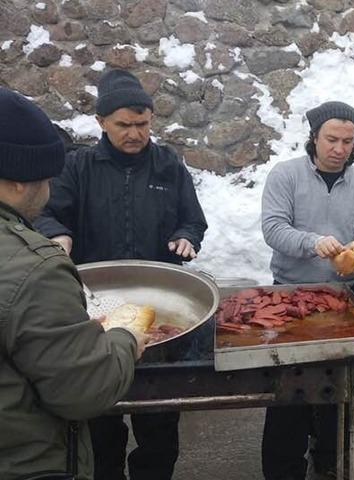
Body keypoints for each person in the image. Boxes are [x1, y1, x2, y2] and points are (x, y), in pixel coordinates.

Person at [35, 69, 207, 480]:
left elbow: (193, 219)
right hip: (94, 306)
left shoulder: (168, 165)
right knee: (101, 424)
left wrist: (186, 235)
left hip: (159, 307)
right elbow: (46, 213)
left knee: (159, 424)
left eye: (143, 124)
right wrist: (57, 235)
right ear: (101, 122)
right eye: (124, 125)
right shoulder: (77, 166)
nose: (135, 133)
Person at [0, 87, 145, 480]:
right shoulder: (34, 268)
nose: (48, 191)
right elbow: (83, 391)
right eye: (47, 177)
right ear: (16, 182)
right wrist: (125, 335)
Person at [261, 100, 354, 479]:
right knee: (288, 387)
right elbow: (273, 229)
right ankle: (283, 467)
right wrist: (312, 243)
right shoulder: (286, 175)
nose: (340, 149)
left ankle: (331, 458)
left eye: (348, 141)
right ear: (314, 137)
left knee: (337, 384)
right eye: (332, 139)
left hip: (343, 296)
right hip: (290, 295)